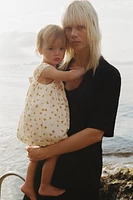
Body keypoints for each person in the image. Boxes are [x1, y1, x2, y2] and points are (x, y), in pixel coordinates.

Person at [23, 1, 121, 200]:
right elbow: (38, 107)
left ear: (92, 27)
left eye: (80, 27)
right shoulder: (57, 69)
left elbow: (94, 133)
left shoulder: (108, 75)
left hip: (80, 176)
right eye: (68, 28)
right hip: (44, 174)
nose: (73, 33)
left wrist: (46, 152)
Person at [17, 24, 85, 200]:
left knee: (38, 155)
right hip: (44, 123)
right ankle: (44, 186)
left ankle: (27, 184)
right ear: (40, 50)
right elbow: (68, 77)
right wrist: (81, 70)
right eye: (51, 48)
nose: (57, 53)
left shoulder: (50, 67)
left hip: (41, 121)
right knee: (54, 151)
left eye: (62, 48)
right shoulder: (46, 69)